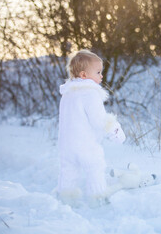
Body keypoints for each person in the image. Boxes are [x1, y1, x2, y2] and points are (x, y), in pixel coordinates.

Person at [56, 49, 126, 207]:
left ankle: (66, 200)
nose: (101, 76)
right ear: (83, 75)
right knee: (95, 167)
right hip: (85, 144)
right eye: (98, 72)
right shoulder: (90, 94)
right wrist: (114, 130)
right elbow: (99, 120)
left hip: (66, 145)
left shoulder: (67, 94)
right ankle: (98, 199)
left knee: (68, 171)